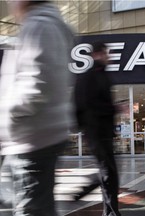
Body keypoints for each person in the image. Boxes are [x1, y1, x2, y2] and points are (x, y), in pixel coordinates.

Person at [0, 1, 74, 215]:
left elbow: (37, 85)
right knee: (36, 206)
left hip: (32, 140)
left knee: (31, 209)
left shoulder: (39, 25)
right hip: (34, 138)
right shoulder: (46, 23)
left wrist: (7, 112)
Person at [74, 41, 121, 216]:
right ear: (95, 55)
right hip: (95, 131)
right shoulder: (88, 76)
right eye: (104, 53)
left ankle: (92, 195)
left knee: (110, 172)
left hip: (104, 131)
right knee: (109, 172)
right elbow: (86, 103)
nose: (107, 56)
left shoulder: (104, 76)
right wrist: (114, 108)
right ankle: (110, 213)